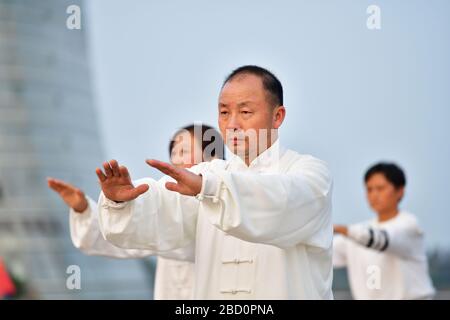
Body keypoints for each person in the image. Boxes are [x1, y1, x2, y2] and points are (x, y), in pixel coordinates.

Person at [95, 65, 334, 299]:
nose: (232, 125)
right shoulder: (207, 174)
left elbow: (283, 200)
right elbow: (160, 205)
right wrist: (120, 201)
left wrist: (209, 188)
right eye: (224, 112)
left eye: (245, 112)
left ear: (277, 116)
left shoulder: (310, 173)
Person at [47, 124, 224, 299]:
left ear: (213, 158)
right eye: (173, 153)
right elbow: (121, 240)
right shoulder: (167, 213)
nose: (176, 160)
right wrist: (88, 208)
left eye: (183, 152)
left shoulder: (226, 208)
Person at [333, 162, 435, 299]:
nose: (374, 195)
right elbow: (322, 251)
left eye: (380, 188)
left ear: (400, 191)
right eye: (369, 189)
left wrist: (338, 229)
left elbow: (380, 239)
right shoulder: (355, 235)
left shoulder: (409, 226)